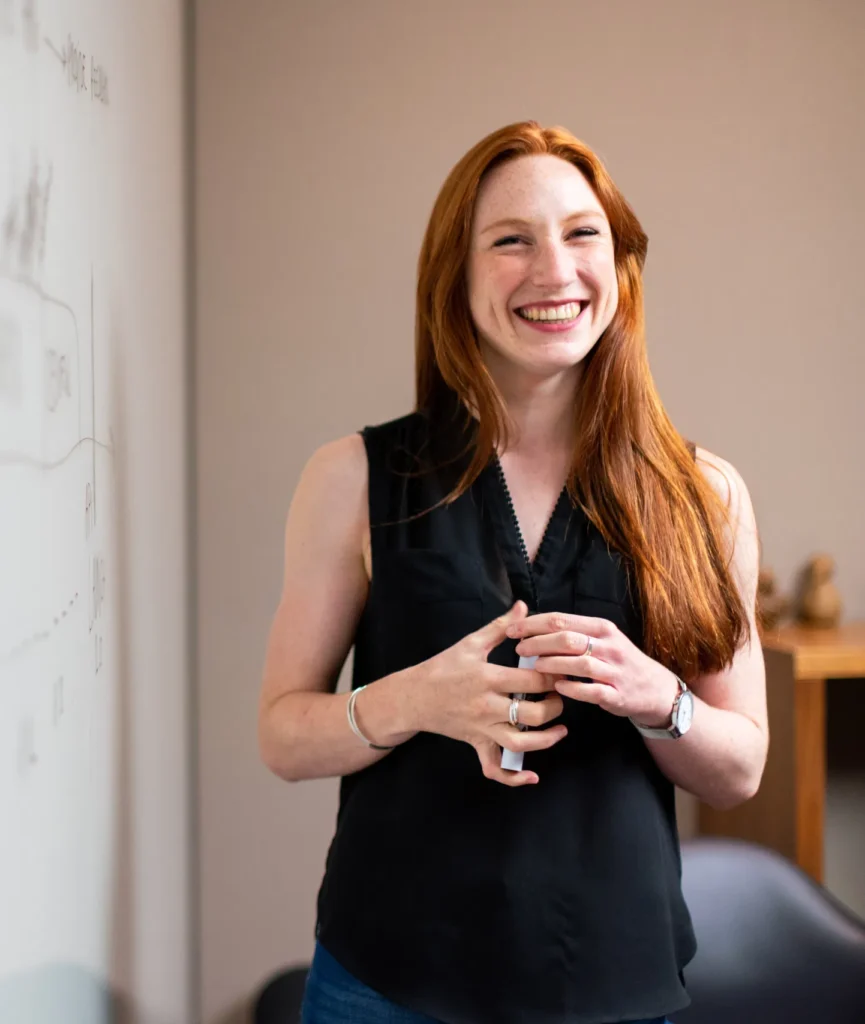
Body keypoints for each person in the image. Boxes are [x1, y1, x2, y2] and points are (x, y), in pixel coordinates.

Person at [258, 120, 768, 1024]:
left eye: (581, 234)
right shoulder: (352, 478)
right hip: (386, 986)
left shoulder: (706, 494)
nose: (553, 270)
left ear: (621, 265)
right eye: (510, 241)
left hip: (614, 986)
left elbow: (739, 768)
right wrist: (413, 700)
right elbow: (283, 735)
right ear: (453, 275)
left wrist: (658, 698)